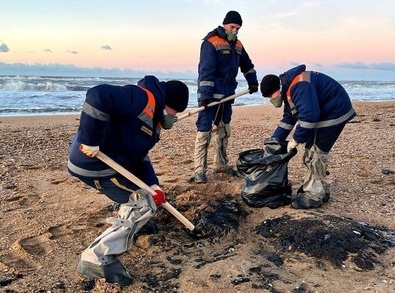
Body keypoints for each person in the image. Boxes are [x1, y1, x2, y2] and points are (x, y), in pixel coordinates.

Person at [67, 76, 189, 286]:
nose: (174, 118)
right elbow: (97, 95)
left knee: (148, 197)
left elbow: (140, 156)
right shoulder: (140, 98)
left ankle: (134, 223)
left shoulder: (154, 122)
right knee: (142, 203)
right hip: (94, 164)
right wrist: (90, 140)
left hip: (115, 164)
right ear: (166, 103)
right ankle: (95, 257)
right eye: (174, 112)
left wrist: (153, 184)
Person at [260, 64, 356, 209]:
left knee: (315, 152)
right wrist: (275, 140)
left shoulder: (299, 86)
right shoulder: (289, 90)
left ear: (277, 89)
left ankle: (313, 195)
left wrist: (295, 140)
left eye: (270, 96)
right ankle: (319, 187)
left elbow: (309, 117)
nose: (271, 99)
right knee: (312, 149)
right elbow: (289, 118)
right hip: (326, 111)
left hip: (334, 112)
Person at [194, 10, 259, 183]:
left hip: (228, 96)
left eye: (238, 28)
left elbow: (247, 64)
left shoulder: (238, 45)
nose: (235, 31)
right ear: (225, 24)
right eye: (232, 27)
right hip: (210, 96)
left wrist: (252, 81)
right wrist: (206, 96)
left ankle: (220, 164)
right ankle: (199, 170)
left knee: (224, 130)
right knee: (204, 131)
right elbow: (206, 71)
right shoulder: (211, 42)